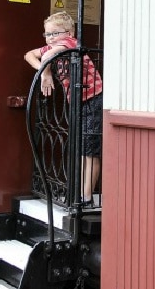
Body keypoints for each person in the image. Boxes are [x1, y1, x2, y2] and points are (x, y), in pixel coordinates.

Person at [24, 11, 103, 206]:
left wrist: (45, 72)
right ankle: (80, 193)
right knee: (82, 148)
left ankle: (85, 197)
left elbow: (49, 55)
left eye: (54, 33)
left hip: (94, 99)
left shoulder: (69, 43)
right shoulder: (56, 44)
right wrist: (45, 73)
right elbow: (29, 55)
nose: (50, 38)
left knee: (89, 151)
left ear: (68, 32)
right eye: (47, 34)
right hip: (80, 101)